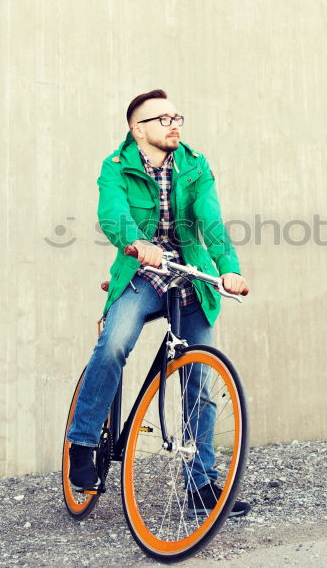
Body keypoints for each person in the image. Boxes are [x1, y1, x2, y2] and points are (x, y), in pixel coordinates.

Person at [66, 89, 251, 517]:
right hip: (143, 270)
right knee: (114, 344)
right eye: (163, 119)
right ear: (138, 129)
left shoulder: (194, 164)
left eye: (177, 116)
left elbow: (211, 219)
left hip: (188, 273)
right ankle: (83, 443)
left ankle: (200, 482)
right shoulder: (115, 167)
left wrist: (229, 267)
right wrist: (134, 241)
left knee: (200, 381)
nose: (174, 124)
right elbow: (113, 213)